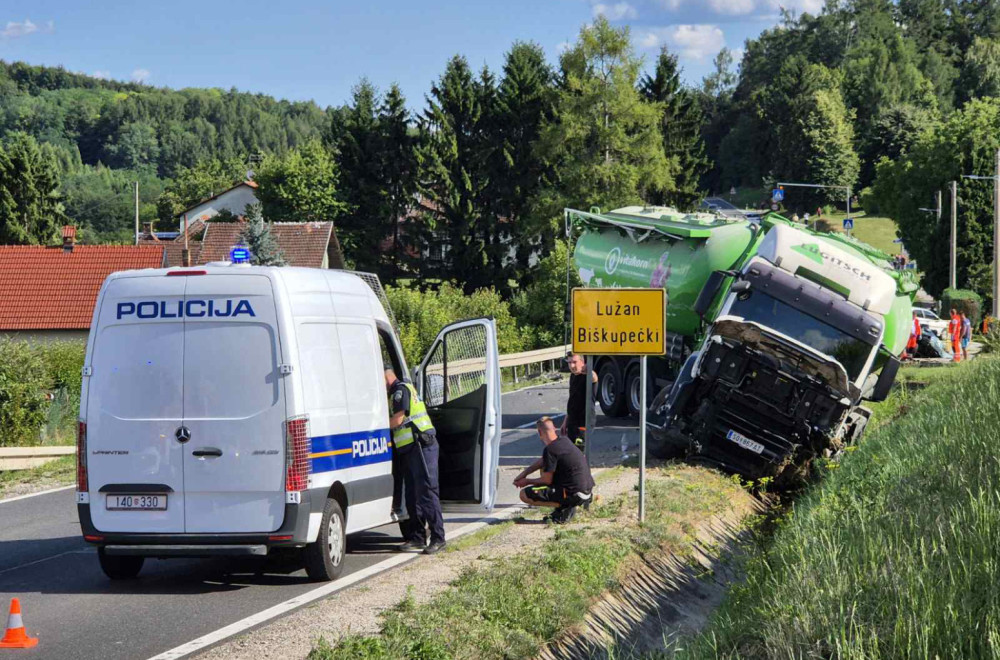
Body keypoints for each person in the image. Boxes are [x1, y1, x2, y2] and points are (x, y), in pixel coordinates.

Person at [385, 369, 446, 554]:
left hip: (421, 446)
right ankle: (418, 537)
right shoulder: (396, 392)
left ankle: (438, 537)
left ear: (385, 375)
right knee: (412, 495)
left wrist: (376, 426)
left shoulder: (400, 391)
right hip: (410, 448)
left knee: (427, 493)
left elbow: (398, 419)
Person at [514, 417, 595, 523]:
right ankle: (564, 506)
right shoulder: (563, 441)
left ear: (539, 432)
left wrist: (527, 481)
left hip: (574, 494)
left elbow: (546, 480)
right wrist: (525, 473)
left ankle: (565, 508)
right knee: (546, 468)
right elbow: (543, 461)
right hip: (586, 491)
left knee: (524, 494)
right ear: (554, 429)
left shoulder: (550, 450)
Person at [561, 353, 598, 451]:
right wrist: (566, 420)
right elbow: (572, 399)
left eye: (574, 362)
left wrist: (589, 371)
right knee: (571, 451)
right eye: (569, 362)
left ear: (582, 362)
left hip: (584, 421)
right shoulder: (573, 376)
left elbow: (594, 378)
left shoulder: (587, 375)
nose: (572, 366)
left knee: (580, 451)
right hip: (572, 420)